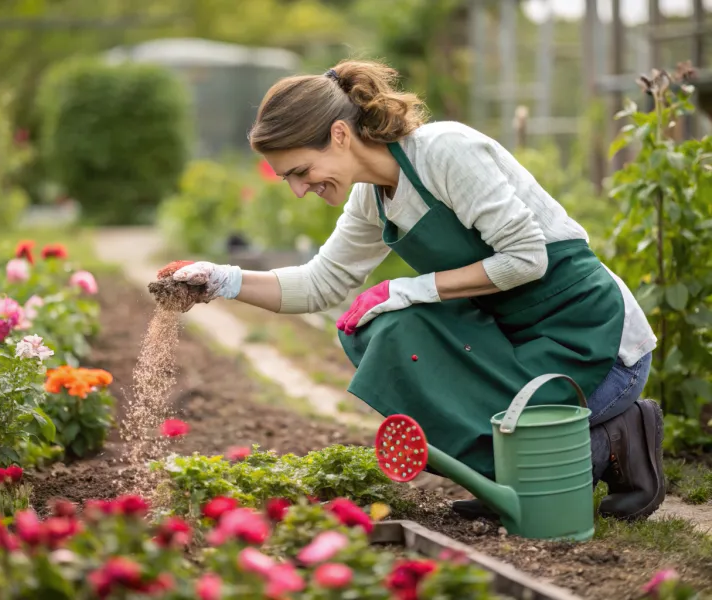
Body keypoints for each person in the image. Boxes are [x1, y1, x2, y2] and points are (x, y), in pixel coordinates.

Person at [170, 59, 665, 521]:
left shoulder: (444, 152)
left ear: (339, 135)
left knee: (405, 321)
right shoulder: (371, 198)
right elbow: (321, 284)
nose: (300, 189)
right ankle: (504, 473)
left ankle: (619, 435)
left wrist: (411, 288)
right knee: (384, 332)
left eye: (301, 171)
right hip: (516, 347)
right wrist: (223, 280)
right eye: (288, 180)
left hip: (594, 345)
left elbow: (527, 259)